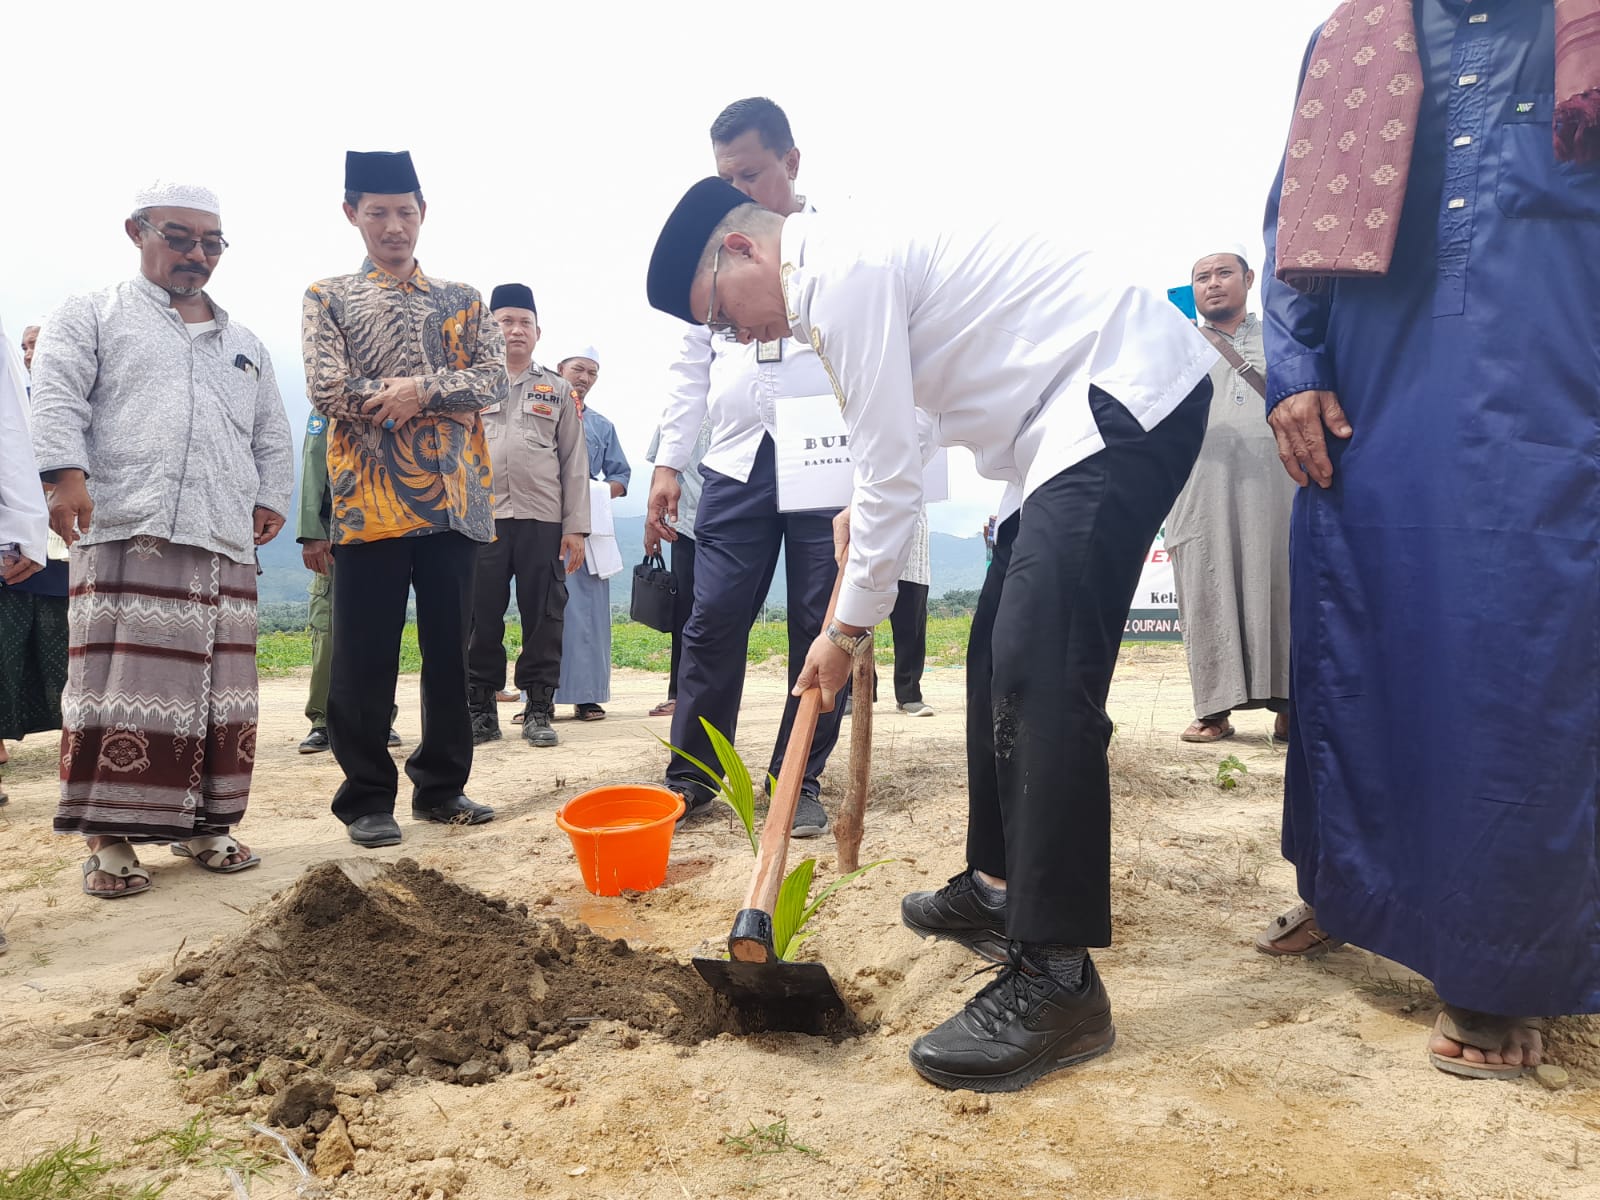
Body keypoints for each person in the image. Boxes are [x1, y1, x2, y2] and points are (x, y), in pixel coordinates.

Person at [646, 177, 1214, 1091]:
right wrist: (861, 519)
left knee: (1040, 675)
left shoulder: (836, 274)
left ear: (744, 250)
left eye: (721, 315)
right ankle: (995, 890)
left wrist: (844, 627)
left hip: (1115, 391)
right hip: (1051, 433)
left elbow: (886, 470)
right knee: (995, 655)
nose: (736, 338)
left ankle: (1058, 978)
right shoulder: (840, 284)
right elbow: (900, 430)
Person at [1262, 0, 1600, 1078]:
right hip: (1370, 397)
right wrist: (1295, 370)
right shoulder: (1349, 38)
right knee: (1360, 636)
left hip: (1548, 402)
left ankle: (1497, 970)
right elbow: (1285, 231)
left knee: (1522, 667)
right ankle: (1347, 894)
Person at [31, 181, 293, 897]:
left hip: (223, 537)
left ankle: (208, 826)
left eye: (211, 243)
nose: (196, 254)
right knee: (117, 687)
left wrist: (271, 497)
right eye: (179, 237)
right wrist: (64, 477)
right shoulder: (91, 313)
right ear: (136, 230)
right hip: (125, 524)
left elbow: (272, 432)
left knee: (218, 692)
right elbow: (56, 395)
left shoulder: (244, 343)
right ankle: (109, 839)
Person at [647, 97, 850, 839]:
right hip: (736, 459)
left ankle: (798, 777)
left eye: (751, 172)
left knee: (817, 620)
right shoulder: (715, 247)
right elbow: (686, 362)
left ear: (791, 163)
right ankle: (693, 774)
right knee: (711, 618)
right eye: (724, 176)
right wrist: (672, 460)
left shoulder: (834, 244)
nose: (737, 189)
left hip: (826, 457)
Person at [301, 150, 506, 848]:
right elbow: (327, 390)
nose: (394, 226)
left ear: (423, 214)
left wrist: (423, 390)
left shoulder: (463, 299)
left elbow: (494, 382)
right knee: (365, 656)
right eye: (379, 213)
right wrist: (424, 395)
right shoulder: (328, 296)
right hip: (369, 502)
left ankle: (443, 788)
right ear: (352, 214)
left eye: (406, 213)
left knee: (451, 650)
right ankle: (366, 799)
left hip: (454, 503)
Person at [1166, 247, 1292, 746]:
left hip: (1280, 480)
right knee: (1206, 583)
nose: (1212, 283)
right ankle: (1214, 710)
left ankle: (1291, 704)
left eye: (1223, 273)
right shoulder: (1177, 344)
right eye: (1201, 277)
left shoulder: (1282, 334)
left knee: (1284, 581)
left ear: (1248, 278)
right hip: (1200, 483)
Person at [467, 285, 588, 747]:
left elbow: (574, 462)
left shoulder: (556, 390)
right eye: (505, 321)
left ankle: (539, 707)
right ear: (490, 328)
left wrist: (575, 527)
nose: (515, 330)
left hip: (543, 520)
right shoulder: (471, 384)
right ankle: (481, 709)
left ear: (538, 332)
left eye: (524, 323)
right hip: (482, 520)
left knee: (544, 614)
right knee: (480, 615)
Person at [294, 411, 399, 754]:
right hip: (338, 534)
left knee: (381, 629)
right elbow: (313, 464)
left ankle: (379, 719)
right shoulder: (330, 404)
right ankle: (323, 721)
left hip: (388, 529)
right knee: (328, 630)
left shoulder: (393, 401)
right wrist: (312, 532)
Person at [554, 349, 627, 720]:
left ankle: (588, 695)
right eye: (578, 369)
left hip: (589, 530)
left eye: (592, 373)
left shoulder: (602, 425)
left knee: (590, 615)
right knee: (544, 609)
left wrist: (590, 491)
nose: (584, 378)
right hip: (545, 525)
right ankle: (540, 696)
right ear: (559, 369)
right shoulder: (540, 415)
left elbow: (621, 477)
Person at [1, 315, 52, 813]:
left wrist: (24, 528)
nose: (29, 351)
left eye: (37, 343)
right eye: (25, 345)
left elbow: (12, 443)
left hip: (56, 547)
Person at [644, 417, 711, 718]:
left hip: (735, 524)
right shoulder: (678, 414)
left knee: (726, 609)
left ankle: (717, 691)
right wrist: (651, 522)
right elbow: (660, 473)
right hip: (684, 526)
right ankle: (679, 693)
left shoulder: (744, 396)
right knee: (684, 611)